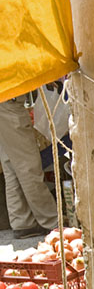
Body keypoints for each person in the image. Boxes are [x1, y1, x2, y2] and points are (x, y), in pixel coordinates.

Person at [0, 96, 58, 237]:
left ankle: (22, 221)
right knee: (27, 163)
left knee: (11, 163)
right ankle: (52, 220)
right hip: (7, 97)